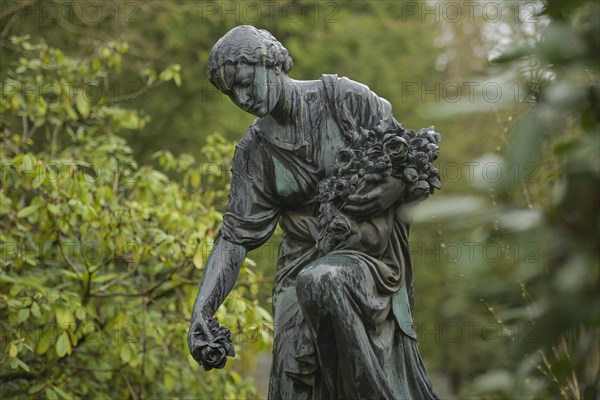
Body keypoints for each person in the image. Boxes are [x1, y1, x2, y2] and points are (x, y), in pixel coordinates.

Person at [188, 25, 439, 400]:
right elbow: (235, 237)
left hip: (367, 256)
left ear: (270, 61)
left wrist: (394, 188)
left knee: (322, 281)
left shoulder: (345, 100)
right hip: (299, 261)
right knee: (290, 378)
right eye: (231, 92)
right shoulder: (253, 153)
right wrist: (201, 311)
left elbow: (416, 158)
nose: (242, 97)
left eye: (245, 81)